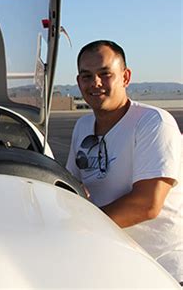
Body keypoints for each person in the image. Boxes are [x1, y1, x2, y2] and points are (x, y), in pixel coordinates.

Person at [66, 40, 182, 284]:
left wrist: (80, 227)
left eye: (105, 74)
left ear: (125, 77)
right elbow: (70, 188)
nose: (95, 83)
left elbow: (147, 204)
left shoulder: (153, 123)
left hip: (162, 271)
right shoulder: (83, 127)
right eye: (86, 76)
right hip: (112, 265)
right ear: (79, 83)